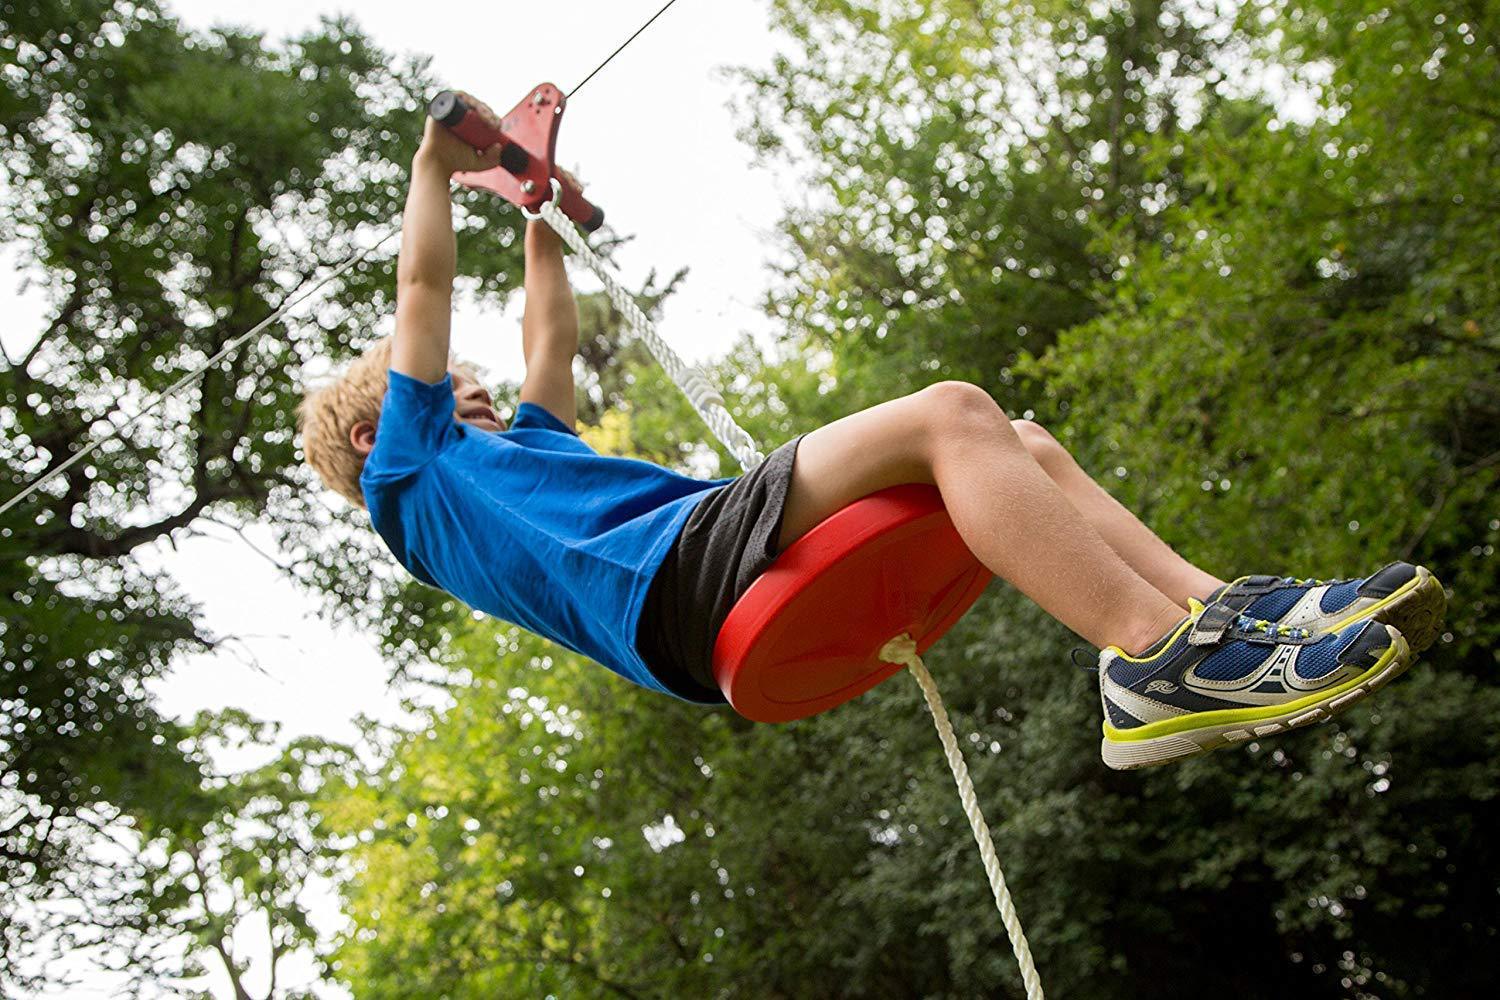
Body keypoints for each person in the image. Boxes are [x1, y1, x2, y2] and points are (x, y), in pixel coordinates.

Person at [299, 109, 1446, 770]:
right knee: (950, 411)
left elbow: (545, 345)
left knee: (1020, 442)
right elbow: (423, 284)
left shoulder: (513, 453)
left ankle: (1227, 614)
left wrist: (535, 207)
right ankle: (1152, 659)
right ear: (375, 423)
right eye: (453, 383)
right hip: (671, 581)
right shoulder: (414, 472)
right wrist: (430, 167)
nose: (483, 386)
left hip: (686, 578)